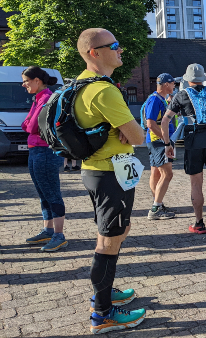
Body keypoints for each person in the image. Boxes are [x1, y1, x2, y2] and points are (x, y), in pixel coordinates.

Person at [75, 28, 146, 333]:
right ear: (94, 52)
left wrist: (125, 129)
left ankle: (103, 291)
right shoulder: (103, 90)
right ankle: (103, 314)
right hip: (110, 173)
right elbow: (139, 136)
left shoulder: (82, 83)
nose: (121, 50)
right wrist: (128, 130)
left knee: (113, 234)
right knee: (109, 242)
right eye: (114, 45)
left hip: (97, 171)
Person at [161, 64, 206, 234]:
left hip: (193, 143)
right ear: (203, 79)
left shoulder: (181, 95)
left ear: (187, 79)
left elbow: (165, 120)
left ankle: (199, 223)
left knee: (196, 184)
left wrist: (167, 144)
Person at [21, 66, 68, 252]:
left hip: (45, 152)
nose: (24, 85)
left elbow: (31, 126)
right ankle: (48, 230)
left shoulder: (47, 98)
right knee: (43, 193)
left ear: (36, 81)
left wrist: (30, 122)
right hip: (35, 151)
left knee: (52, 193)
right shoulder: (38, 98)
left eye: (26, 81)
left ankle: (59, 234)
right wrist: (30, 122)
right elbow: (26, 124)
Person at [144, 73, 176, 220]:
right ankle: (156, 208)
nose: (174, 85)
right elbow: (150, 123)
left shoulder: (160, 99)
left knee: (156, 173)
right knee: (167, 174)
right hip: (158, 141)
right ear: (165, 85)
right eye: (173, 83)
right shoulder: (154, 99)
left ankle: (157, 203)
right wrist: (166, 140)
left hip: (156, 141)